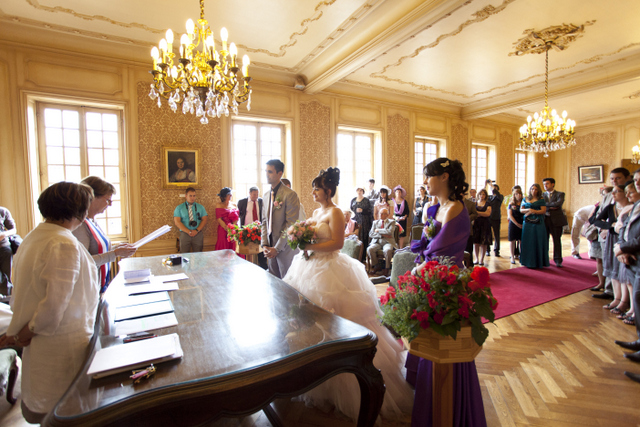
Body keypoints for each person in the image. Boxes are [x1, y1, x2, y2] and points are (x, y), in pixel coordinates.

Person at [282, 167, 413, 422]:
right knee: (309, 322)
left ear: (327, 190)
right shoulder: (318, 212)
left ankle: (347, 386)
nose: (313, 192)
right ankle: (314, 378)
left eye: (316, 189)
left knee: (338, 322)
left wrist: (307, 244)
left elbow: (337, 244)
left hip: (330, 269)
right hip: (308, 266)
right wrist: (301, 242)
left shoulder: (336, 212)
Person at [0, 182, 98, 422]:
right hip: (61, 341)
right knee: (63, 410)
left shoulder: (37, 235)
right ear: (80, 210)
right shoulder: (63, 243)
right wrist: (25, 332)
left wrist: (21, 332)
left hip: (42, 336)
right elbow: (53, 305)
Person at [408, 157, 486, 427]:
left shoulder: (455, 208)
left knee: (445, 343)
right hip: (431, 278)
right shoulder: (434, 207)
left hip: (447, 284)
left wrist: (421, 266)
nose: (425, 182)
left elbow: (439, 251)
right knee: (429, 341)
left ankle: (449, 404)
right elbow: (425, 242)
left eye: (428, 176)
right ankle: (428, 396)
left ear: (444, 177)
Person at [73, 176, 136, 293]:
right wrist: (115, 253)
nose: (110, 204)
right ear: (92, 197)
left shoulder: (92, 221)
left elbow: (97, 249)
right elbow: (82, 261)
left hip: (98, 285)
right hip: (86, 288)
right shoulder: (79, 225)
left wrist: (117, 249)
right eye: (108, 200)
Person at [614, 169, 640, 383]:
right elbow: (625, 229)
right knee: (638, 301)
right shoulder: (636, 206)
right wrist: (622, 249)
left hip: (634, 254)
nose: (637, 185)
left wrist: (621, 248)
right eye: (636, 181)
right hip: (633, 258)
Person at [261, 159, 301, 279]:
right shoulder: (266, 195)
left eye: (270, 172)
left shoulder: (290, 194)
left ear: (280, 174)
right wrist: (265, 245)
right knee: (274, 284)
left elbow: (290, 224)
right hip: (270, 248)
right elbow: (264, 221)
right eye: (266, 171)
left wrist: (277, 248)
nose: (267, 174)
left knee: (288, 285)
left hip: (285, 248)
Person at [596, 184, 631, 315]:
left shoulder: (631, 207)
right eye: (613, 192)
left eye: (617, 192)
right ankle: (617, 299)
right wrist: (610, 225)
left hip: (626, 241)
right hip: (612, 239)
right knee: (613, 269)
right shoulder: (611, 207)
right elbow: (597, 221)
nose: (613, 194)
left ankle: (625, 301)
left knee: (623, 271)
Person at [520, 183, 549, 269]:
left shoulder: (541, 199)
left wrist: (533, 211)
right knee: (527, 241)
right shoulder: (525, 199)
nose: (534, 191)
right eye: (532, 189)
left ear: (539, 190)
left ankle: (538, 262)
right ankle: (527, 261)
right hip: (527, 222)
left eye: (536, 189)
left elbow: (543, 211)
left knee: (537, 240)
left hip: (538, 222)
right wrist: (528, 209)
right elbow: (521, 210)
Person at [238, 186, 267, 268]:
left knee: (261, 251)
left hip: (259, 230)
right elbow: (239, 215)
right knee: (247, 251)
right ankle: (246, 267)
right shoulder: (242, 202)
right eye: (254, 194)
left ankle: (264, 268)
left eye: (257, 194)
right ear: (249, 193)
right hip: (246, 230)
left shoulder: (261, 201)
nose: (256, 196)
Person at [173, 187, 208, 253]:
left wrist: (196, 230)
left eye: (194, 196)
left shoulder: (200, 207)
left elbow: (205, 220)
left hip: (198, 233)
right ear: (186, 196)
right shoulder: (179, 208)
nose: (192, 198)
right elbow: (177, 222)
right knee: (184, 255)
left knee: (198, 254)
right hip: (185, 233)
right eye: (190, 196)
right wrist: (188, 231)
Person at [542, 177, 567, 267]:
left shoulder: (560, 194)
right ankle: (544, 258)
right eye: (544, 184)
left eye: (547, 184)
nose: (545, 186)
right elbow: (540, 204)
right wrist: (551, 206)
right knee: (544, 240)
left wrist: (546, 205)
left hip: (556, 221)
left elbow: (558, 204)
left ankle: (558, 260)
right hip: (544, 220)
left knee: (556, 240)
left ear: (552, 184)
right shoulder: (542, 195)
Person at [367, 208, 398, 275]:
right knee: (370, 249)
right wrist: (382, 235)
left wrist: (378, 230)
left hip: (388, 242)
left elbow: (389, 232)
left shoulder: (392, 222)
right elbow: (371, 234)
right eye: (380, 213)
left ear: (387, 215)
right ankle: (376, 265)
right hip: (377, 241)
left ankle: (387, 268)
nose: (380, 215)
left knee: (387, 250)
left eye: (382, 213)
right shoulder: (375, 222)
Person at [215, 187, 241, 253]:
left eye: (231, 194)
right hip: (223, 229)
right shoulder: (219, 205)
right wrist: (226, 228)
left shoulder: (234, 204)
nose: (231, 196)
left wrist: (232, 227)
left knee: (233, 245)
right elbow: (219, 219)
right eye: (229, 194)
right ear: (224, 196)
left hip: (233, 228)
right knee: (223, 245)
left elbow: (236, 217)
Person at [350, 187, 372, 262]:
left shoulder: (366, 200)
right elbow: (351, 210)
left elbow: (370, 211)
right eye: (358, 190)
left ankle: (362, 257)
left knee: (363, 238)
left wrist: (362, 210)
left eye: (361, 190)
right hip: (355, 220)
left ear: (363, 192)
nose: (359, 192)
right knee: (354, 237)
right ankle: (354, 255)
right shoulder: (353, 200)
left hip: (364, 221)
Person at [472, 189, 492, 266]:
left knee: (484, 242)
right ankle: (476, 258)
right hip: (476, 224)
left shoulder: (488, 203)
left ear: (485, 196)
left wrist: (477, 213)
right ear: (478, 195)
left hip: (485, 224)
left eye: (483, 194)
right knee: (476, 242)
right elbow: (473, 213)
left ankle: (481, 259)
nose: (482, 196)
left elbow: (487, 214)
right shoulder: (475, 203)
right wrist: (482, 213)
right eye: (481, 194)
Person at [0, 207, 17, 291]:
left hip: (4, 248)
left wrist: (3, 234)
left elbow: (13, 230)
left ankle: (7, 300)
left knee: (6, 279)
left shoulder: (3, 211)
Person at [508, 187, 524, 265]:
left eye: (520, 194)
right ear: (514, 195)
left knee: (521, 240)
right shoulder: (511, 204)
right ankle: (512, 256)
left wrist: (522, 224)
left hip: (522, 223)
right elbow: (510, 215)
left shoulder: (524, 203)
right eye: (517, 194)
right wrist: (517, 224)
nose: (518, 195)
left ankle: (522, 255)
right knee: (512, 240)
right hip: (513, 223)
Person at [488, 184, 504, 257]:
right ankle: (487, 250)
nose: (493, 190)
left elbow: (498, 194)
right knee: (488, 234)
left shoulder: (500, 197)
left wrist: (492, 186)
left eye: (495, 189)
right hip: (488, 218)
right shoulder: (489, 197)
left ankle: (496, 250)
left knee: (497, 235)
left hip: (496, 218)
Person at [463, 191, 478, 267]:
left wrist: (468, 218)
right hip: (456, 232)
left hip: (468, 230)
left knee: (469, 250)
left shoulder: (470, 203)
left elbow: (475, 214)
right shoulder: (453, 203)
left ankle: (469, 267)